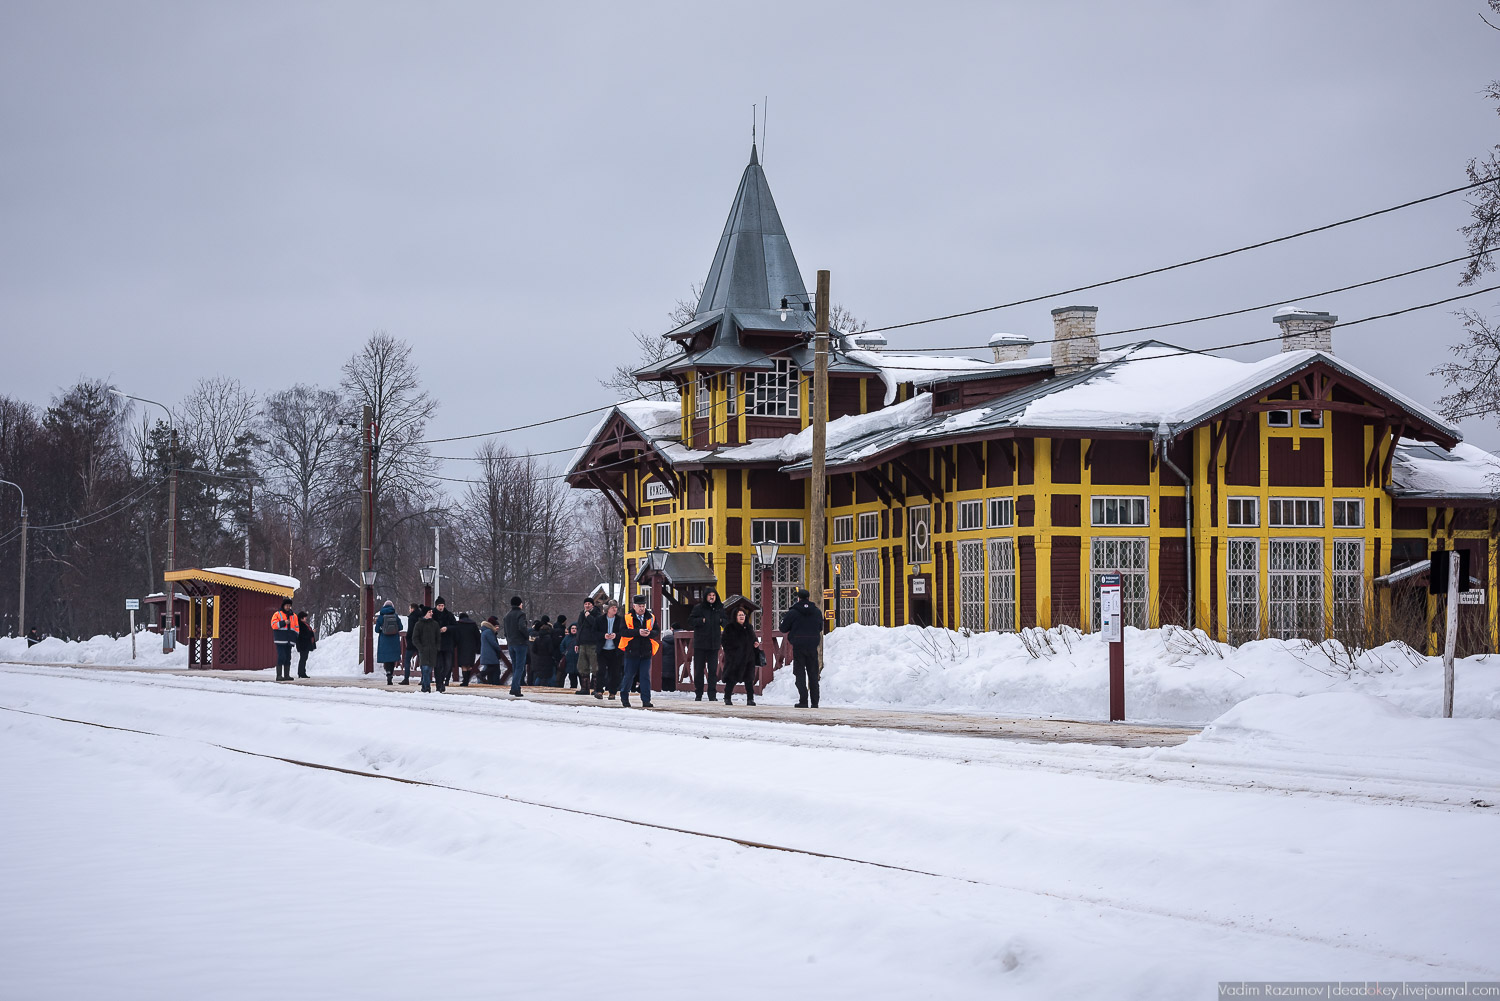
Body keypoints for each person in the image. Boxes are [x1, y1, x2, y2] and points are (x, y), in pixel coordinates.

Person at [779, 588, 824, 708]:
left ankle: (803, 700)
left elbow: (783, 628)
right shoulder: (816, 611)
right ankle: (815, 702)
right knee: (813, 674)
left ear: (798, 598)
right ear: (808, 598)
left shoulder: (793, 612)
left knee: (799, 673)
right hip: (812, 646)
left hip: (798, 646)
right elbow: (820, 627)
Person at [619, 594, 659, 709]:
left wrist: (649, 633)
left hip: (646, 652)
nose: (642, 608)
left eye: (643, 606)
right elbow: (622, 632)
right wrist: (638, 632)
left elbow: (656, 630)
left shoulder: (651, 617)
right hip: (631, 652)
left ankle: (646, 700)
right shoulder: (627, 617)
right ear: (634, 606)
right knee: (629, 676)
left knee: (645, 677)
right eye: (639, 606)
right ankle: (624, 698)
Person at [686, 589, 725, 701]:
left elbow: (726, 621)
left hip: (714, 644)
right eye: (709, 595)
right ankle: (698, 693)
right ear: (706, 597)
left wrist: (721, 621)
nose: (712, 597)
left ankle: (712, 695)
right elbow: (690, 621)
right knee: (699, 670)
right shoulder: (699, 608)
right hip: (700, 644)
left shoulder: (719, 608)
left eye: (713, 595)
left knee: (713, 670)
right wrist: (700, 620)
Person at [720, 606, 761, 706]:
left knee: (749, 680)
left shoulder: (749, 627)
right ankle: (727, 697)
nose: (742, 617)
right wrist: (731, 654)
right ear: (735, 617)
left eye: (743, 615)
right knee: (731, 679)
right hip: (735, 658)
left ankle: (750, 699)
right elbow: (724, 642)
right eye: (739, 615)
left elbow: (754, 639)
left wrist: (756, 643)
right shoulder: (730, 628)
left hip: (748, 658)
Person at [410, 605, 443, 693]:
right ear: (425, 613)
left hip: (432, 650)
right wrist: (420, 647)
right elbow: (415, 638)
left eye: (431, 612)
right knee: (425, 669)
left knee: (429, 669)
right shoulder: (419, 624)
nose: (431, 613)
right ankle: (427, 687)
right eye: (429, 612)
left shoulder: (435, 624)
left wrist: (437, 647)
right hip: (423, 650)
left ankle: (425, 687)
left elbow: (438, 637)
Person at [574, 597, 604, 695]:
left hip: (593, 644)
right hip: (583, 644)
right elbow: (579, 629)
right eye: (585, 604)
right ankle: (585, 688)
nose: (587, 606)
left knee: (595, 667)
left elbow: (597, 625)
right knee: (583, 666)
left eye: (589, 604)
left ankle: (596, 688)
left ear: (592, 605)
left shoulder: (597, 614)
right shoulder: (581, 614)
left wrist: (589, 617)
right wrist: (577, 643)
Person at [503, 596, 530, 697]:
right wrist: (527, 636)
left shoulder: (507, 615)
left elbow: (505, 631)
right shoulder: (521, 614)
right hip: (520, 643)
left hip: (511, 643)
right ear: (519, 604)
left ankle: (516, 687)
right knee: (520, 667)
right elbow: (522, 627)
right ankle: (514, 688)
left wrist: (509, 639)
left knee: (515, 666)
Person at [598, 600, 623, 700]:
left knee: (615, 673)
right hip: (602, 650)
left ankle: (612, 692)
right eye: (612, 607)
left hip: (615, 650)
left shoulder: (620, 620)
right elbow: (594, 633)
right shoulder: (600, 620)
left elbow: (624, 632)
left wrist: (616, 635)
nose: (615, 609)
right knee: (601, 671)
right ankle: (599, 691)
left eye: (616, 607)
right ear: (607, 609)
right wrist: (603, 635)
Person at [431, 597, 458, 687]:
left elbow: (455, 626)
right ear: (436, 606)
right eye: (439, 605)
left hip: (447, 643)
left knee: (448, 664)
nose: (441, 607)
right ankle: (439, 683)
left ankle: (441, 679)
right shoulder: (432, 614)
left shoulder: (449, 615)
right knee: (438, 665)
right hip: (436, 643)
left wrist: (447, 628)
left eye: (442, 605)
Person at [376, 599, 403, 685]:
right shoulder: (395, 616)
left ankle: (388, 672)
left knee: (386, 658)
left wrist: (382, 629)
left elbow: (376, 629)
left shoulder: (381, 616)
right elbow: (401, 627)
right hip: (394, 639)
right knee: (392, 658)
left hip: (384, 640)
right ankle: (391, 673)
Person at [270, 599, 299, 680]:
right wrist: (283, 622)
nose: (288, 607)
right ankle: (278, 676)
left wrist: (296, 636)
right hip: (280, 640)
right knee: (281, 656)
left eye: (289, 605)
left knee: (288, 658)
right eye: (286, 605)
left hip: (289, 641)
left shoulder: (294, 616)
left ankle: (287, 676)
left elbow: (296, 627)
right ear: (283, 605)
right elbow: (273, 625)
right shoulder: (277, 614)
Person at [454, 611, 482, 686]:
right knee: (469, 665)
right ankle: (467, 681)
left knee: (463, 664)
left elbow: (456, 636)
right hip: (471, 647)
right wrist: (477, 647)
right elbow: (478, 636)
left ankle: (465, 681)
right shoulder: (473, 624)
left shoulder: (458, 624)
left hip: (461, 646)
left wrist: (455, 643)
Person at [530, 616, 558, 686]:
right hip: (548, 659)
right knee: (548, 675)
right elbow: (550, 650)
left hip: (539, 658)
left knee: (539, 675)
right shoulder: (549, 639)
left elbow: (533, 649)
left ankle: (536, 686)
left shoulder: (537, 639)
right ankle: (550, 686)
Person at [400, 602, 421, 685]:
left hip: (412, 642)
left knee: (407, 659)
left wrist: (408, 638)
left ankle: (406, 678)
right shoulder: (422, 616)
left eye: (410, 608)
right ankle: (424, 678)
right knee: (422, 660)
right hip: (420, 641)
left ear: (412, 609)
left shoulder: (411, 618)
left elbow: (410, 630)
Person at [479, 615, 504, 685]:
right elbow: (493, 643)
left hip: (487, 653)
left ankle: (491, 682)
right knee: (495, 667)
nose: (497, 628)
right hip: (490, 653)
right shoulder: (489, 632)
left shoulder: (485, 631)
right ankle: (482, 674)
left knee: (491, 668)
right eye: (496, 626)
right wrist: (499, 649)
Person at [293, 609, 317, 679]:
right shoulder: (301, 625)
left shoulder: (304, 624)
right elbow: (304, 635)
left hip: (305, 645)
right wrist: (312, 632)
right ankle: (301, 673)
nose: (306, 618)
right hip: (303, 645)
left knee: (304, 658)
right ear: (301, 618)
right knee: (303, 659)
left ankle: (302, 672)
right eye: (305, 617)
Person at [560, 623, 581, 690]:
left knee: (581, 677)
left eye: (575, 628)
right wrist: (564, 653)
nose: (574, 630)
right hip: (569, 661)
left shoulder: (580, 637)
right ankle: (573, 689)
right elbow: (562, 645)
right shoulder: (567, 638)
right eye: (572, 628)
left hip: (579, 660)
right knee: (572, 678)